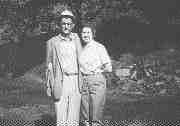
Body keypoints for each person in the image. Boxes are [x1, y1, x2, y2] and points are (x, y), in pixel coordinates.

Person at [46, 10, 82, 126]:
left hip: (76, 81)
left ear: (73, 26)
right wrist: (49, 85)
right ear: (59, 25)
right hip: (60, 81)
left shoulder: (77, 39)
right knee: (60, 116)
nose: (66, 26)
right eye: (63, 24)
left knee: (74, 116)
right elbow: (48, 66)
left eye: (68, 24)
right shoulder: (52, 42)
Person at [79, 23, 112, 126]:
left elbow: (108, 67)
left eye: (88, 32)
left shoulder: (99, 47)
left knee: (96, 110)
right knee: (85, 111)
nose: (85, 35)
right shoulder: (81, 49)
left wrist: (96, 71)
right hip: (83, 80)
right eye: (83, 32)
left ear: (93, 34)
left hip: (96, 80)